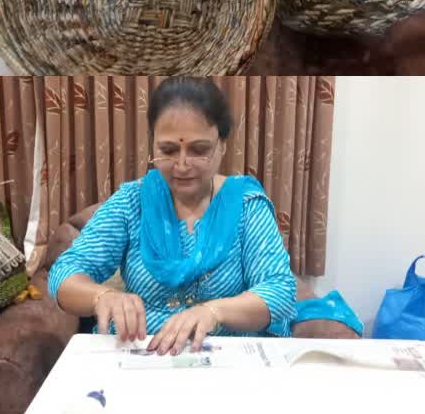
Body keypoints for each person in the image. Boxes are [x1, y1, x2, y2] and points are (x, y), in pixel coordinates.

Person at [50, 77, 297, 356]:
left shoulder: (246, 205)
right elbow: (63, 273)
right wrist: (102, 296)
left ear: (222, 145)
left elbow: (279, 290)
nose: (182, 165)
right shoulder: (132, 203)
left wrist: (213, 312)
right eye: (168, 150)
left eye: (199, 150)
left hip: (228, 360)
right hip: (144, 357)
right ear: (153, 145)